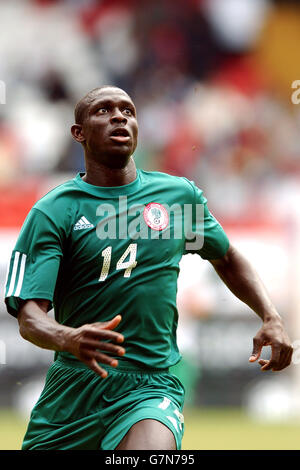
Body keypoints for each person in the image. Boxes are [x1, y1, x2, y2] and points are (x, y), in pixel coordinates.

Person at [4, 85, 293, 450]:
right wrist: (68, 338)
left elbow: (227, 256)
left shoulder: (178, 197)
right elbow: (29, 316)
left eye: (128, 110)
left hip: (150, 385)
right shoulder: (54, 211)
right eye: (103, 111)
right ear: (79, 133)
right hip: (74, 389)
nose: (119, 116)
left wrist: (270, 315)